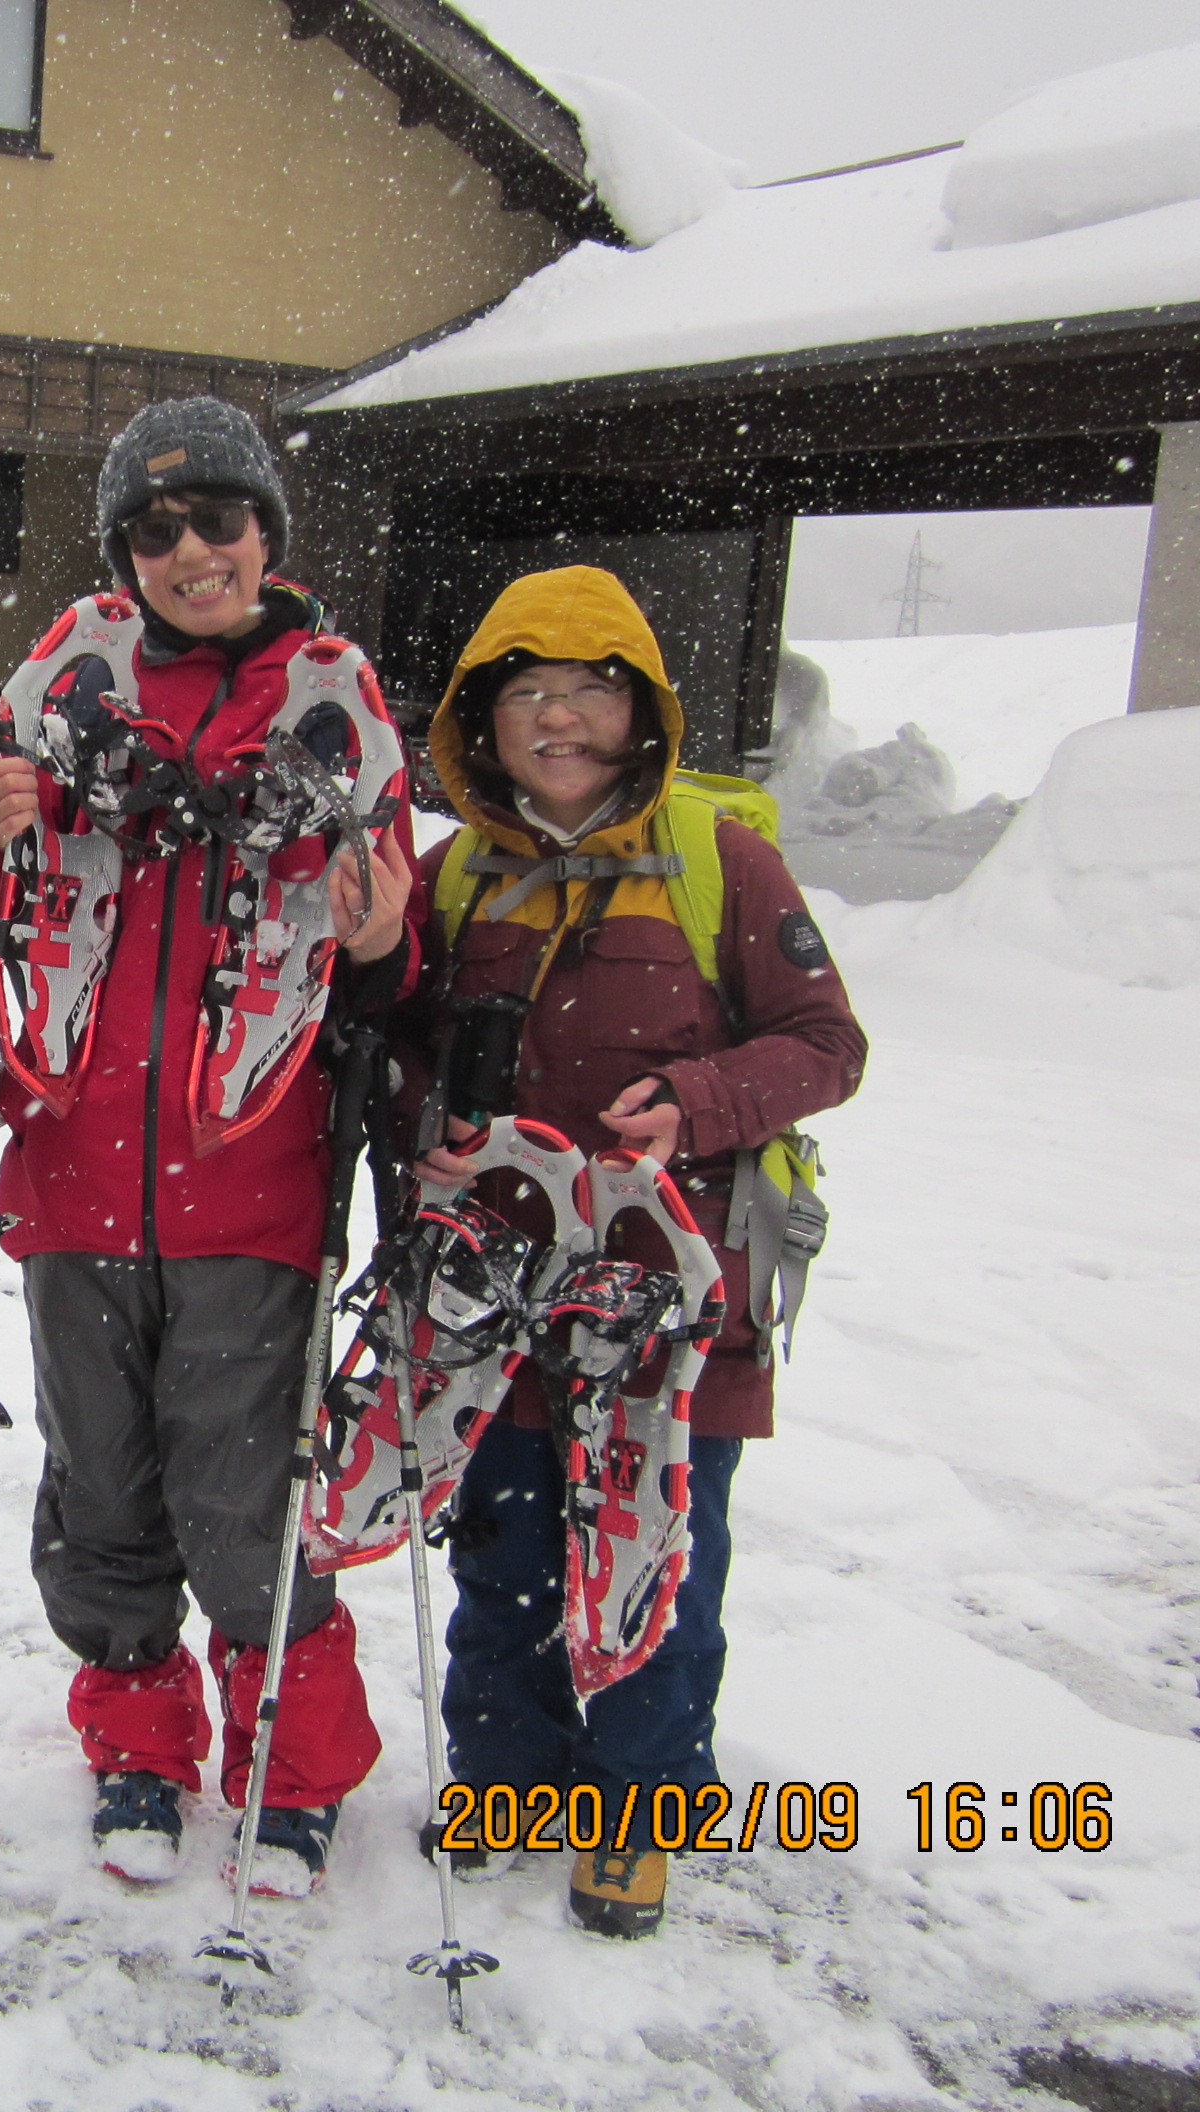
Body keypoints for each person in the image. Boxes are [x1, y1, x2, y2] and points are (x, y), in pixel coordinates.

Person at [0, 399, 415, 1896]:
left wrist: (380, 929)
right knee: (101, 1491)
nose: (191, 552)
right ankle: (138, 1748)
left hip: (250, 1192)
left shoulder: (330, 703)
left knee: (246, 1500)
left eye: (218, 520)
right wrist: (7, 829)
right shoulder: (71, 698)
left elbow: (381, 959)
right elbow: (16, 938)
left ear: (266, 533)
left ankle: (291, 1764)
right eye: (154, 532)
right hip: (75, 1185)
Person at [393, 563, 866, 1938]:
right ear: (482, 722)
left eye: (589, 691)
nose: (557, 721)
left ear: (640, 710)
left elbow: (827, 1043)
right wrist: (426, 1120)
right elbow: (403, 1040)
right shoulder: (457, 873)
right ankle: (511, 1783)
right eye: (527, 694)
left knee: (655, 1555)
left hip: (674, 1301)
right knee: (505, 1550)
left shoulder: (723, 862)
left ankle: (643, 1807)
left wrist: (700, 1102)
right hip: (501, 1299)